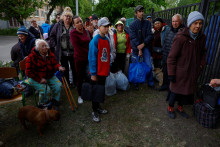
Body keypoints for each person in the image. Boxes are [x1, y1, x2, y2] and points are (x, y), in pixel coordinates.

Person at [167, 11, 206, 119]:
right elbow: (171, 57)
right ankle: (170, 107)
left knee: (186, 93)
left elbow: (203, 52)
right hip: (180, 71)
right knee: (175, 91)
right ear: (189, 24)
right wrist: (171, 73)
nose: (198, 26)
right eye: (195, 23)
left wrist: (201, 65)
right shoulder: (181, 38)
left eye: (200, 23)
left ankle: (180, 107)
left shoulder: (202, 37)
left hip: (193, 71)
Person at [26, 39, 65, 110]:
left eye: (46, 46)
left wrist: (59, 67)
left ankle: (54, 101)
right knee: (46, 90)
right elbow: (28, 72)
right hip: (35, 78)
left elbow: (54, 63)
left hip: (49, 76)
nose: (45, 48)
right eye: (42, 46)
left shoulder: (50, 53)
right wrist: (39, 79)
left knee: (58, 86)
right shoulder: (31, 57)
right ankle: (42, 104)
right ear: (38, 48)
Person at [88, 17, 111, 122]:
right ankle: (94, 110)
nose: (106, 28)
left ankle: (98, 107)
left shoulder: (107, 39)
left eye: (107, 26)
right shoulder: (95, 41)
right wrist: (93, 73)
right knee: (95, 91)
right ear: (98, 27)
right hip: (97, 72)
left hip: (104, 72)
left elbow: (107, 56)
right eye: (104, 26)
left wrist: (107, 69)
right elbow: (92, 58)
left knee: (100, 90)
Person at [50, 7, 77, 86]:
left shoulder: (74, 25)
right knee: (65, 69)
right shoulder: (58, 26)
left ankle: (75, 83)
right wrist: (55, 46)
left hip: (73, 52)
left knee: (74, 68)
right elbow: (51, 36)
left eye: (69, 16)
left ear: (71, 18)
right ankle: (67, 83)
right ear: (63, 17)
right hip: (63, 52)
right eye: (66, 16)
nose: (67, 18)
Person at [129, 5, 154, 90]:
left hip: (145, 47)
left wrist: (143, 44)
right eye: (140, 11)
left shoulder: (147, 23)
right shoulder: (132, 25)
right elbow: (132, 37)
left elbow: (150, 36)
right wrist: (139, 48)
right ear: (136, 13)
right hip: (136, 48)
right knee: (135, 65)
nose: (142, 13)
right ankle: (136, 82)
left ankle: (150, 82)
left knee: (149, 66)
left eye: (142, 11)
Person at [159, 14, 184, 91]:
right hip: (166, 55)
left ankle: (171, 89)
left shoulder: (183, 32)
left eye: (176, 21)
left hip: (175, 58)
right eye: (173, 21)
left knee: (173, 74)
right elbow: (165, 41)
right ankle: (164, 85)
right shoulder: (169, 30)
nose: (174, 23)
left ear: (181, 22)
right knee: (166, 72)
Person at [70, 16, 92, 104]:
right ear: (74, 25)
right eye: (77, 22)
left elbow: (91, 42)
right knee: (80, 77)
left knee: (89, 75)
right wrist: (88, 53)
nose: (80, 23)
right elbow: (77, 48)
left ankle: (88, 92)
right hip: (79, 59)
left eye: (80, 21)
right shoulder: (73, 33)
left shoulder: (86, 31)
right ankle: (80, 95)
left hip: (89, 58)